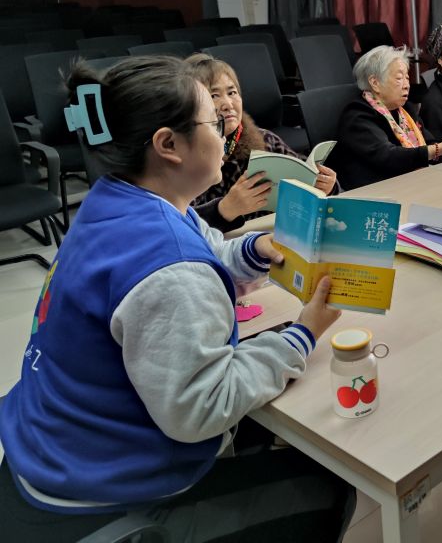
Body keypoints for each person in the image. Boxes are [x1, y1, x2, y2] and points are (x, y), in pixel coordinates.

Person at [0, 56, 354, 541]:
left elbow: (207, 251)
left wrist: (255, 250)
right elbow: (200, 409)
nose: (226, 132)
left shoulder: (122, 199)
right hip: (89, 494)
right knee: (330, 484)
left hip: (49, 446)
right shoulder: (170, 268)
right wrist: (303, 334)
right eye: (214, 122)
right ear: (168, 145)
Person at [184, 53, 338, 232]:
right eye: (214, 95)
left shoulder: (265, 140)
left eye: (232, 92)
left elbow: (305, 178)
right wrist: (223, 210)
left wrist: (326, 187)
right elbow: (175, 224)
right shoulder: (183, 155)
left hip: (271, 235)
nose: (228, 104)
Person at [328, 45, 442, 188]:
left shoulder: (405, 110)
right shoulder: (357, 115)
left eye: (407, 78)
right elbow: (388, 156)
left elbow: (430, 146)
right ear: (375, 83)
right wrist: (440, 149)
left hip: (411, 183)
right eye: (399, 78)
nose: (407, 85)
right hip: (376, 191)